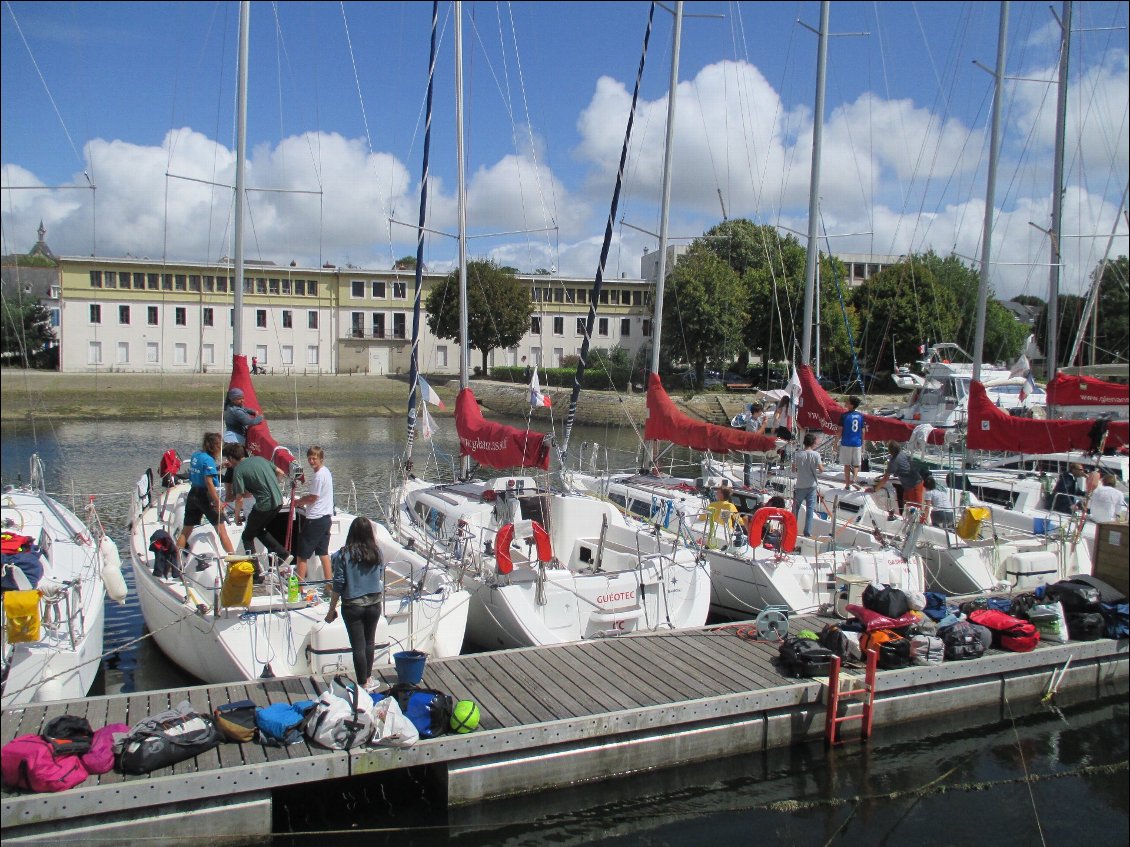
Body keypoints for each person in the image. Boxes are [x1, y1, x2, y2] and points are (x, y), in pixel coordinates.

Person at [324, 517, 385, 692]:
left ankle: (362, 683)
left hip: (353, 606)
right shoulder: (377, 553)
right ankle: (368, 677)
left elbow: (338, 584)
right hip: (374, 604)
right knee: (370, 642)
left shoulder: (342, 554)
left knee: (358, 646)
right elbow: (379, 576)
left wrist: (331, 609)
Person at [226, 443, 290, 577]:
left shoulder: (238, 470)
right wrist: (271, 484)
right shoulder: (260, 459)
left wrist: (237, 516)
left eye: (228, 459)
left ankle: (255, 572)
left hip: (264, 505)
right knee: (257, 529)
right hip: (278, 501)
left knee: (247, 536)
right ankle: (282, 553)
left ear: (232, 458)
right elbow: (280, 472)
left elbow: (239, 499)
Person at [176, 432, 235, 556]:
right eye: (221, 445)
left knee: (186, 530)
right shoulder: (208, 460)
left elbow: (203, 471)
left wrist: (220, 466)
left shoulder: (196, 455)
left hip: (193, 494)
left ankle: (177, 561)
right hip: (206, 496)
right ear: (215, 447)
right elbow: (209, 482)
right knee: (221, 531)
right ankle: (235, 559)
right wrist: (217, 501)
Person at [294, 446, 334, 584]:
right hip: (326, 518)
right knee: (323, 553)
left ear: (320, 459)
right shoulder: (326, 472)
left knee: (301, 555)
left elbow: (312, 498)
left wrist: (298, 502)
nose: (311, 461)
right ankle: (329, 584)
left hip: (315, 519)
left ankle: (299, 587)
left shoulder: (318, 476)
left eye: (314, 459)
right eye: (309, 458)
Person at [870, 440, 924, 517]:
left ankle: (919, 524)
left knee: (916, 510)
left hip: (914, 486)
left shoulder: (894, 462)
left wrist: (875, 489)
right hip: (910, 485)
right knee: (908, 506)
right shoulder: (902, 454)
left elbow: (885, 479)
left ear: (890, 451)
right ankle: (906, 519)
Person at [791, 432, 824, 537]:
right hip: (811, 485)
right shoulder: (816, 455)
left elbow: (793, 469)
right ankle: (807, 532)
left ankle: (792, 529)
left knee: (795, 509)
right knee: (810, 510)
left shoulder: (798, 454)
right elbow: (821, 470)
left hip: (800, 485)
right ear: (813, 443)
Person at [839, 395, 865, 489]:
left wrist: (835, 442)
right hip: (857, 443)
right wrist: (863, 443)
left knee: (847, 464)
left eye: (847, 402)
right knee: (856, 464)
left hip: (846, 443)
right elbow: (863, 431)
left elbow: (840, 430)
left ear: (852, 405)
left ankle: (847, 484)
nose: (845, 403)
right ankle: (854, 479)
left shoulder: (844, 416)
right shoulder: (860, 416)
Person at [742, 403, 766, 486]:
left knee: (750, 463)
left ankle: (748, 482)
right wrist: (764, 425)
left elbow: (761, 432)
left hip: (753, 445)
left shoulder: (757, 420)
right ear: (756, 412)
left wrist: (763, 424)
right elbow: (756, 434)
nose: (761, 413)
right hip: (748, 445)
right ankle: (746, 484)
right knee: (748, 464)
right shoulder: (750, 421)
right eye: (760, 411)